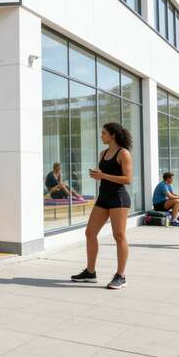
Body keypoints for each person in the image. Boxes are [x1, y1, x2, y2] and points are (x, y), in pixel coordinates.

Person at [71, 122, 133, 290]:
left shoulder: (123, 153)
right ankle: (90, 272)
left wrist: (103, 175)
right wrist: (99, 176)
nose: (101, 136)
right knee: (90, 233)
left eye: (104, 133)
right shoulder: (103, 153)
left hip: (118, 198)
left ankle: (121, 276)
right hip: (103, 197)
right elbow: (104, 176)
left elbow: (128, 179)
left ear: (113, 135)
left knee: (119, 235)